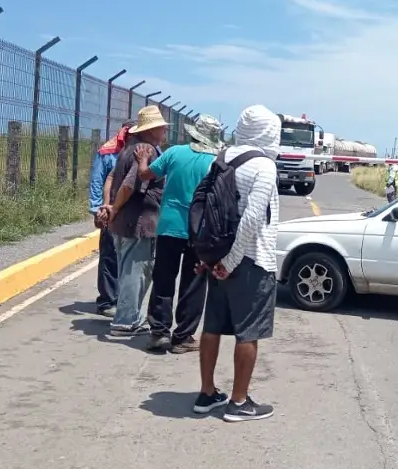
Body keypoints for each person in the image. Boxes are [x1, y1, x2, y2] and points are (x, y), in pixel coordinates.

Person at [195, 105, 280, 422]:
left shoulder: (220, 160)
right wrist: (231, 262)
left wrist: (207, 258)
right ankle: (239, 401)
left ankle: (206, 393)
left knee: (213, 325)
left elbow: (204, 208)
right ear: (268, 133)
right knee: (249, 332)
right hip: (250, 260)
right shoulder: (264, 167)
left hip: (217, 258)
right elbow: (254, 218)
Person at [134, 116, 222, 353]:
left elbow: (145, 175)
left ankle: (159, 332)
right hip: (199, 230)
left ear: (193, 133)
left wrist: (143, 160)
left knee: (163, 278)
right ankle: (182, 336)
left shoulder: (174, 153)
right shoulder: (215, 161)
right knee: (193, 282)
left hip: (169, 226)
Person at [98, 106, 169, 336]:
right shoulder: (146, 149)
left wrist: (109, 206)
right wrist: (115, 208)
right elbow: (130, 184)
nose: (164, 130)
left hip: (126, 222)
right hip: (136, 223)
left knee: (133, 271)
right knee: (135, 273)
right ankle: (125, 321)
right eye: (161, 127)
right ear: (152, 129)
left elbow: (111, 177)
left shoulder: (130, 148)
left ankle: (131, 317)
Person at [88, 118, 134, 317]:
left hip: (132, 212)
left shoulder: (144, 150)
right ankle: (107, 300)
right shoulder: (108, 152)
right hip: (109, 211)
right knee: (109, 255)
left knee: (131, 258)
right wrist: (97, 210)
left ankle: (124, 299)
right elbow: (98, 181)